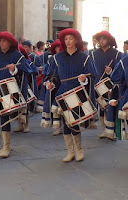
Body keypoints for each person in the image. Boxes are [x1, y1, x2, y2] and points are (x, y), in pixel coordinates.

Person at [42, 28, 97, 162]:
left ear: (76, 41)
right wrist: (50, 83)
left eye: (71, 39)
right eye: (66, 39)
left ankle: (79, 150)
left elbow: (92, 75)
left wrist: (84, 79)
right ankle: (70, 151)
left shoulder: (85, 57)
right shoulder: (57, 58)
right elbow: (52, 76)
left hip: (77, 93)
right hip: (62, 93)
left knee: (75, 122)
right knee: (66, 122)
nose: (68, 41)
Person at [0, 31, 32, 158]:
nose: (1, 43)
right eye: (1, 41)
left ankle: (7, 146)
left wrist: (14, 70)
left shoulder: (17, 56)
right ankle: (6, 146)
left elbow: (28, 70)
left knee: (8, 115)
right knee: (3, 117)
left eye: (4, 41)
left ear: (9, 43)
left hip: (13, 90)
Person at [92, 31, 123, 139]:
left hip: (112, 84)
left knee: (111, 107)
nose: (101, 41)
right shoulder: (94, 54)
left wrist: (111, 71)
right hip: (98, 83)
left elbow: (121, 70)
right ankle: (104, 130)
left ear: (108, 40)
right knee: (101, 107)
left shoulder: (117, 54)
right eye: (100, 39)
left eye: (104, 39)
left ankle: (112, 132)